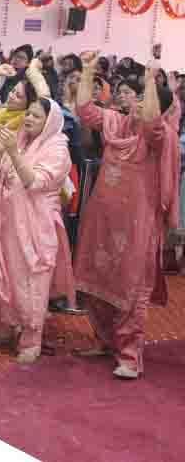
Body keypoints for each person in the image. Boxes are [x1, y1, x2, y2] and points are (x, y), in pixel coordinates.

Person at [73, 50, 181, 379]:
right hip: (103, 219)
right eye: (137, 97)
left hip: (137, 225)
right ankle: (105, 340)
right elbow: (85, 110)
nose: (135, 103)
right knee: (98, 280)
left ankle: (130, 356)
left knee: (131, 289)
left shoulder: (158, 137)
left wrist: (151, 81)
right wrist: (87, 70)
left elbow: (151, 122)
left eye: (144, 98)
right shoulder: (116, 124)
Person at [0, 97, 72, 363]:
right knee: (2, 273)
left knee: (29, 282)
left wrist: (13, 152)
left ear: (49, 121)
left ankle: (30, 340)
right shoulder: (20, 139)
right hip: (4, 220)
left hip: (34, 227)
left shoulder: (58, 148)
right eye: (29, 114)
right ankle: (4, 330)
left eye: (36, 116)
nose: (29, 119)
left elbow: (35, 182)